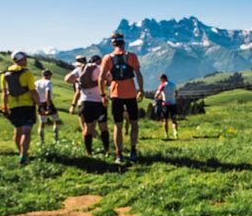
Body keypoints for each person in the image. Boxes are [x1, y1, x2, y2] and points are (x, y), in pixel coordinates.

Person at [99, 33, 144, 164]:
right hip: (131, 94)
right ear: (124, 43)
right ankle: (133, 151)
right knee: (134, 123)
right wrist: (140, 89)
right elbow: (138, 74)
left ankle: (119, 155)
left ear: (113, 44)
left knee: (118, 125)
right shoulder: (131, 56)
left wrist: (103, 95)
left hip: (115, 95)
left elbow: (101, 78)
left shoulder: (107, 58)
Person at [0, 51, 43, 165]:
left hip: (13, 106)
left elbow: (4, 92)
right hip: (27, 105)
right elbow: (33, 91)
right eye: (25, 59)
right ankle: (24, 157)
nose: (26, 61)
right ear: (22, 59)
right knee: (26, 132)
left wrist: (4, 106)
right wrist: (40, 105)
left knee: (17, 131)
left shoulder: (4, 74)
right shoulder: (26, 73)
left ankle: (21, 153)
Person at [65, 55, 110, 156]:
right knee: (103, 127)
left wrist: (78, 79)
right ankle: (107, 150)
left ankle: (89, 152)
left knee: (87, 128)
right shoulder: (100, 68)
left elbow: (67, 79)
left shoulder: (80, 69)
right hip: (99, 102)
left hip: (85, 102)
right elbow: (110, 79)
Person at [35, 69, 61, 143]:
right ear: (49, 75)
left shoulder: (36, 82)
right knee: (56, 120)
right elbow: (48, 93)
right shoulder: (48, 82)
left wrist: (39, 104)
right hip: (47, 102)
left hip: (39, 102)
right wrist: (48, 106)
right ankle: (56, 137)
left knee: (42, 123)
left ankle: (41, 140)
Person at [155, 74, 178, 139]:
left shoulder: (162, 85)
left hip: (165, 104)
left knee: (165, 120)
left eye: (160, 79)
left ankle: (166, 134)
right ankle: (175, 132)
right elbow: (176, 93)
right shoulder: (173, 84)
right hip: (173, 103)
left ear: (163, 78)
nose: (160, 81)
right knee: (174, 119)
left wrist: (156, 99)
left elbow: (157, 95)